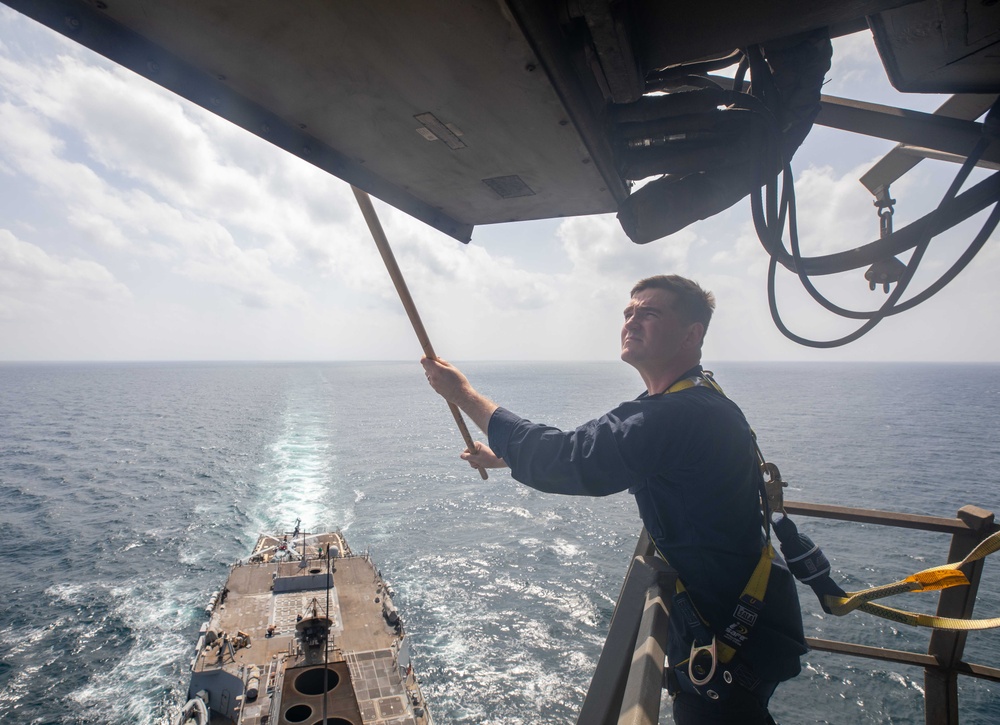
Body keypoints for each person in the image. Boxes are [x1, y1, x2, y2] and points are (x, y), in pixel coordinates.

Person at [421, 274, 806, 724]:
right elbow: (599, 449)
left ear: (692, 334)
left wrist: (461, 393)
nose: (632, 320)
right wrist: (506, 456)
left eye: (650, 313)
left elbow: (568, 458)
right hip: (746, 619)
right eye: (629, 312)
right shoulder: (694, 401)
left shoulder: (675, 415)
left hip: (729, 638)